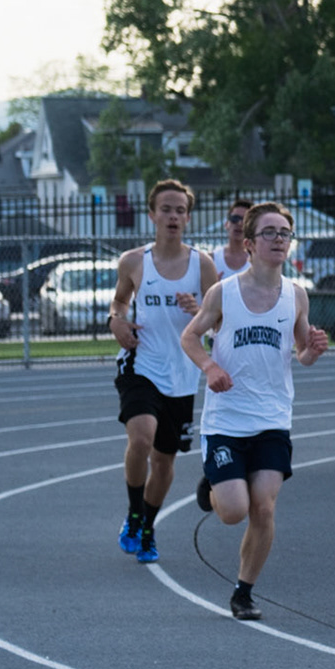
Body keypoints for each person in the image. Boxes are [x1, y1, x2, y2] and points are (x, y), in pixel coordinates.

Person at [179, 202, 329, 620]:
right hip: (226, 420)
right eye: (269, 233)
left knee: (263, 507)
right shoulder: (223, 293)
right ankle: (213, 486)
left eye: (284, 233)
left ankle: (243, 593)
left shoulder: (296, 295)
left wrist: (313, 351)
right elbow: (189, 337)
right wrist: (210, 367)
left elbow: (301, 353)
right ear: (248, 243)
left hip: (272, 419)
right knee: (233, 511)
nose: (279, 239)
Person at [109, 179, 217, 564]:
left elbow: (220, 319)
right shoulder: (133, 261)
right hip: (141, 364)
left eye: (180, 210)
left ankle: (148, 527)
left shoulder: (202, 265)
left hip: (182, 375)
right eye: (166, 209)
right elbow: (120, 301)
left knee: (164, 461)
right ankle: (134, 513)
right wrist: (116, 321)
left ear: (188, 218)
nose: (173, 216)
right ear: (152, 215)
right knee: (141, 438)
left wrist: (198, 311)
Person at [212, 197, 252, 279]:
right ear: (226, 224)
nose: (239, 223)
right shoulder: (212, 259)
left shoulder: (258, 261)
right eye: (235, 218)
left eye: (245, 220)